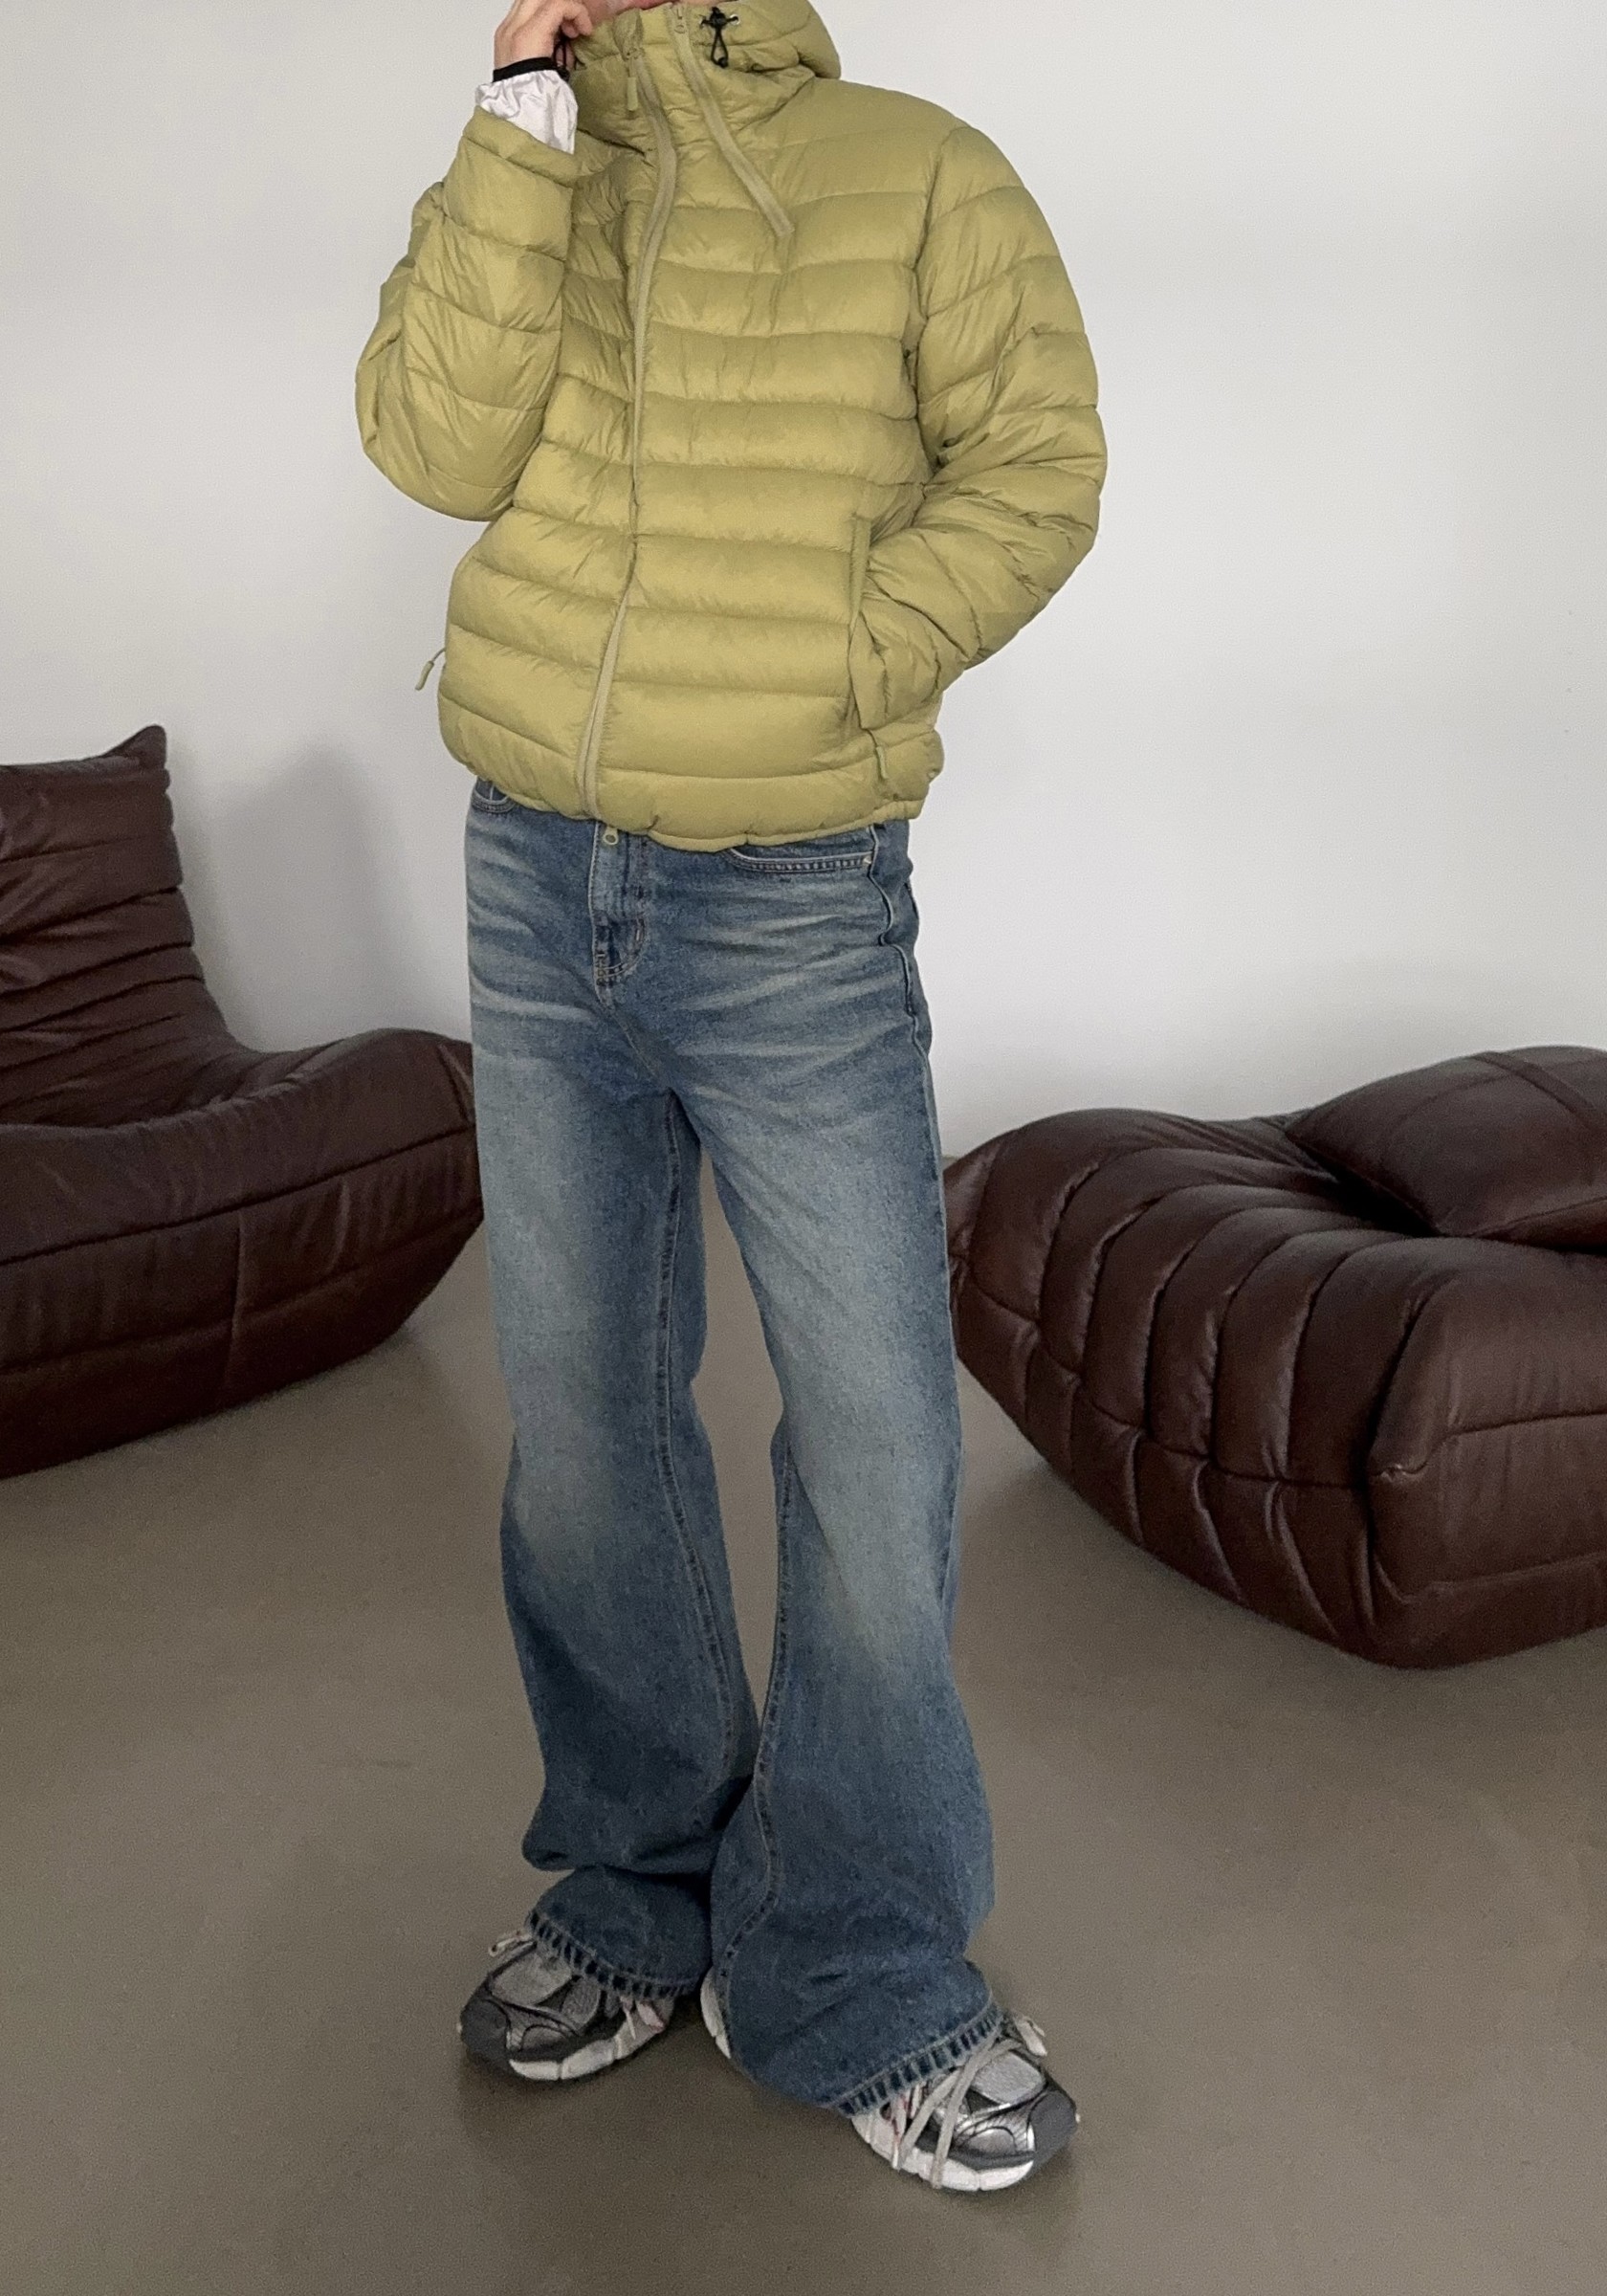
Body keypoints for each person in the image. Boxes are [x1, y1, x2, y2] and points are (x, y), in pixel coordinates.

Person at [357, 0, 1104, 2195]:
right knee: (582, 1418)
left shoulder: (918, 170)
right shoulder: (536, 164)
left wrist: (842, 656)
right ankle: (641, 1880)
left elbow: (1039, 465)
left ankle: (854, 1964)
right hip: (535, 869)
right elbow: (427, 442)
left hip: (791, 902)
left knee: (873, 1438)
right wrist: (517, 115)